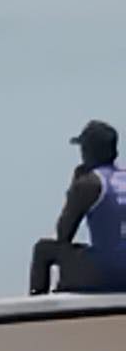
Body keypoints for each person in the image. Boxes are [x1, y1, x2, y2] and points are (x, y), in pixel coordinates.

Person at [30, 120, 126, 295]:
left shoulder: (89, 183)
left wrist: (74, 186)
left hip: (105, 273)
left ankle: (37, 308)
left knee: (43, 250)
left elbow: (63, 234)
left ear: (88, 152)